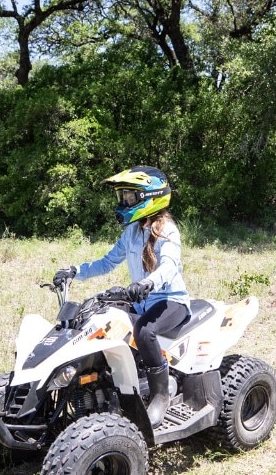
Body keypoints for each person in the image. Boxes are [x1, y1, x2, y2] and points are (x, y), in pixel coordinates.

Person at [53, 166, 190, 425]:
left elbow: (169, 266)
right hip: (143, 301)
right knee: (102, 320)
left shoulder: (167, 230)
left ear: (150, 197)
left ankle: (160, 396)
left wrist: (147, 283)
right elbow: (107, 262)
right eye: (123, 197)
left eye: (129, 197)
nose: (124, 202)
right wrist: (74, 272)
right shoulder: (132, 232)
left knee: (145, 332)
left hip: (171, 301)